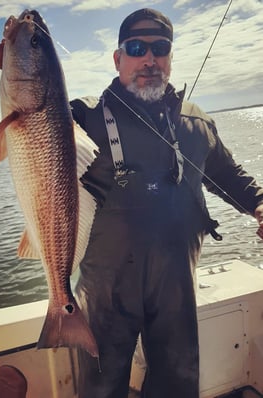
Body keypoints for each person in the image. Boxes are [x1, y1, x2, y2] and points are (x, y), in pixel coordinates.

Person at [71, 8, 263, 398]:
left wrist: (260, 205)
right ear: (117, 58)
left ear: (171, 57)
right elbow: (35, 123)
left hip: (176, 282)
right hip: (105, 289)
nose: (149, 59)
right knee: (100, 388)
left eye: (160, 48)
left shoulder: (197, 123)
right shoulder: (81, 117)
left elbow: (229, 177)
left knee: (177, 383)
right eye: (136, 48)